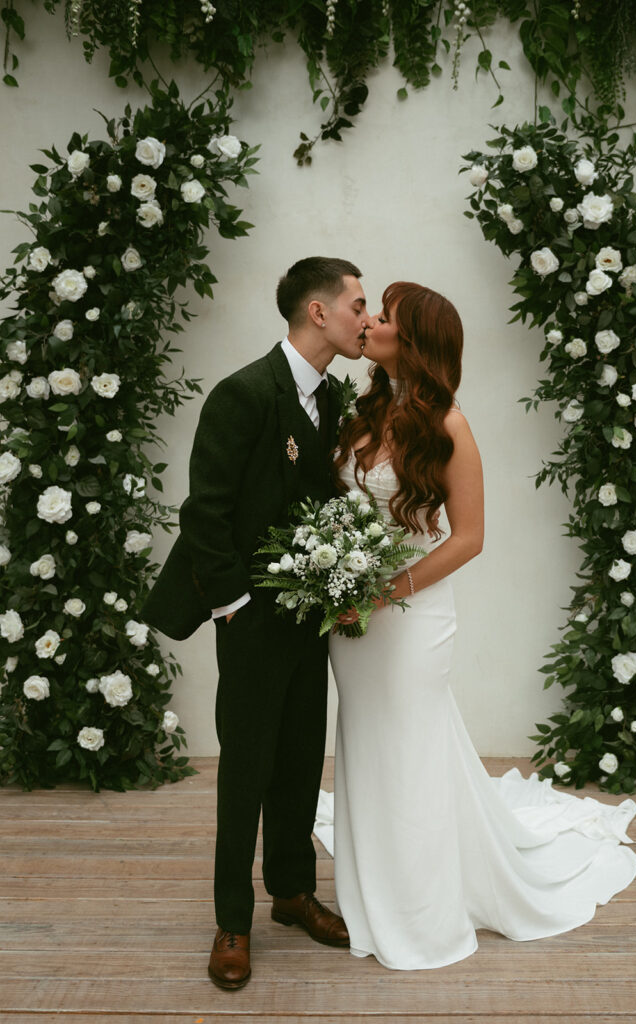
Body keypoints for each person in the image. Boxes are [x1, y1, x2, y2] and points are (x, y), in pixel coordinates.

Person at [317, 281, 636, 971]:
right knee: (369, 743)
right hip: (355, 616)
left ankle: (421, 911)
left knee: (409, 748)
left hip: (410, 616)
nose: (369, 322)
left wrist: (383, 592)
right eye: (371, 313)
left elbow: (469, 538)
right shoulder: (363, 409)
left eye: (385, 318)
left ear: (414, 344)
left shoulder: (450, 427)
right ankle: (373, 888)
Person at [142, 257, 370, 989]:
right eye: (358, 304)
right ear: (318, 312)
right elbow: (204, 512)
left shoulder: (333, 397)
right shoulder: (242, 393)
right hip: (249, 617)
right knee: (246, 769)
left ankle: (293, 894)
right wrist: (234, 609)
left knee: (303, 756)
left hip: (311, 616)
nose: (367, 318)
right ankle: (232, 920)